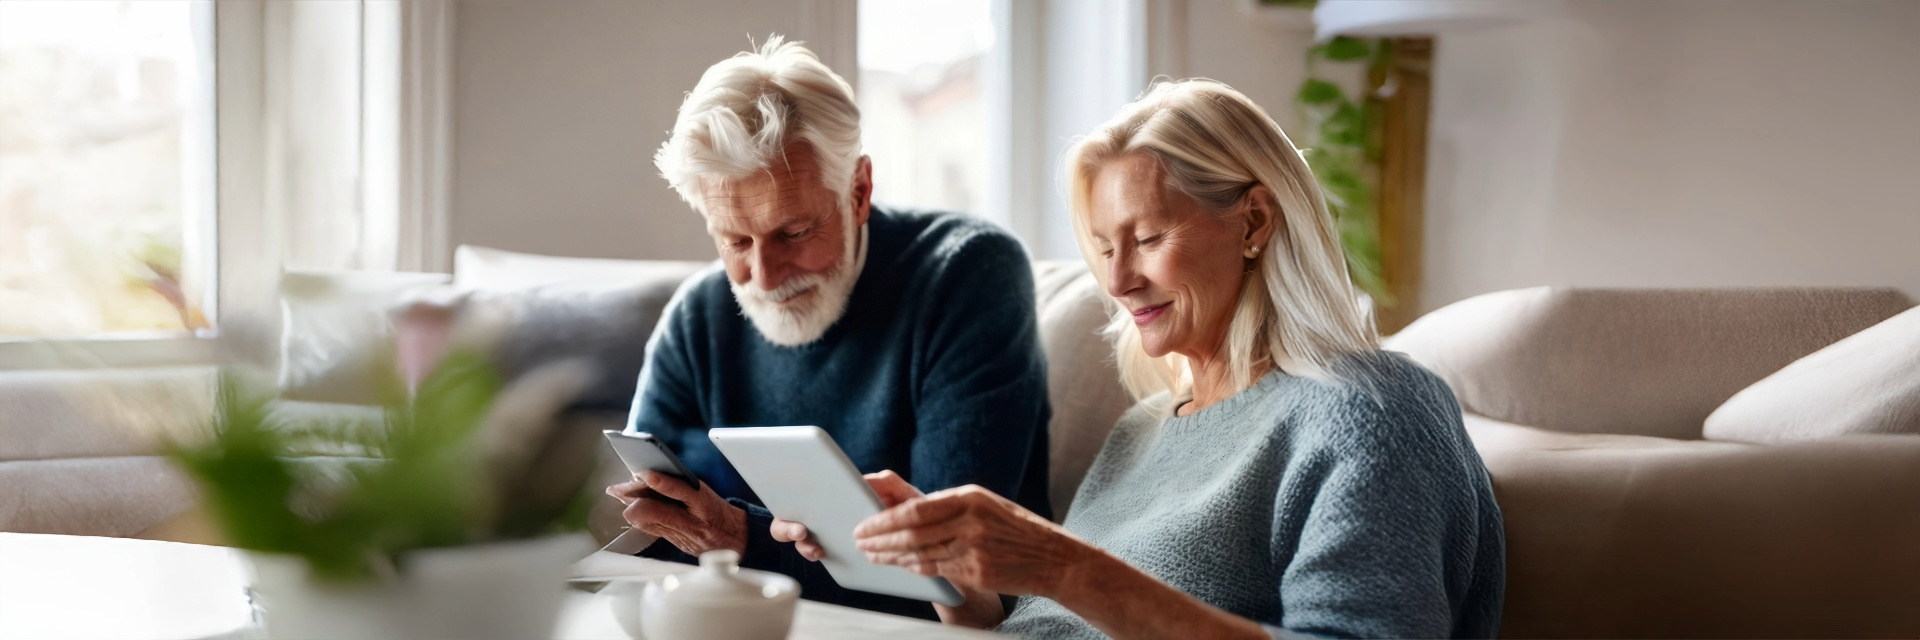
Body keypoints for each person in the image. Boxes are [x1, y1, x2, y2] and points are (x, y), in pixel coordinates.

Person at [802, 79, 1505, 638]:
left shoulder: (1368, 409)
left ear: (1255, 221)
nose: (1117, 281)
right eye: (1106, 248)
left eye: (1148, 238)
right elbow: (1042, 626)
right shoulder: (1144, 428)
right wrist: (939, 561)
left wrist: (1061, 565)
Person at [603, 36, 1052, 621]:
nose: (762, 277)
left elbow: (957, 572)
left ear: (859, 192)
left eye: (792, 233)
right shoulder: (698, 317)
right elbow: (660, 535)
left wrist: (740, 538)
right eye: (735, 240)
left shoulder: (968, 276)